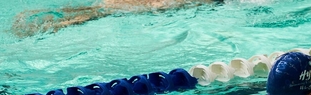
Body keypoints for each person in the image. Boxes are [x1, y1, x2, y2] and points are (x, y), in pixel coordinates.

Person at [12, 0, 222, 38]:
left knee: (93, 9)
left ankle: (36, 16)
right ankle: (55, 25)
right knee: (93, 14)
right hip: (144, 5)